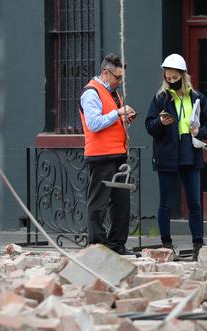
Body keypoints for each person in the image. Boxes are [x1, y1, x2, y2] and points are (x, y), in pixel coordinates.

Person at [145, 53, 207, 260]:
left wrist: (199, 132)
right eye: (168, 78)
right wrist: (160, 123)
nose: (171, 81)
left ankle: (198, 246)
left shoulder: (197, 98)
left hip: (190, 154)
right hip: (167, 155)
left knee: (194, 203)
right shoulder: (160, 99)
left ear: (183, 76)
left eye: (175, 78)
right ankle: (167, 245)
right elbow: (149, 126)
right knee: (165, 202)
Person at [79, 53, 137, 255]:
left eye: (122, 78)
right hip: (101, 156)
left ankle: (117, 245)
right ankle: (97, 248)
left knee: (121, 205)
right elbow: (94, 123)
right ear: (105, 73)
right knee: (98, 204)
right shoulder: (91, 93)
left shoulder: (113, 93)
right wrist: (118, 113)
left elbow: (110, 120)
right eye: (117, 77)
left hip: (118, 155)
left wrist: (124, 119)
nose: (120, 81)